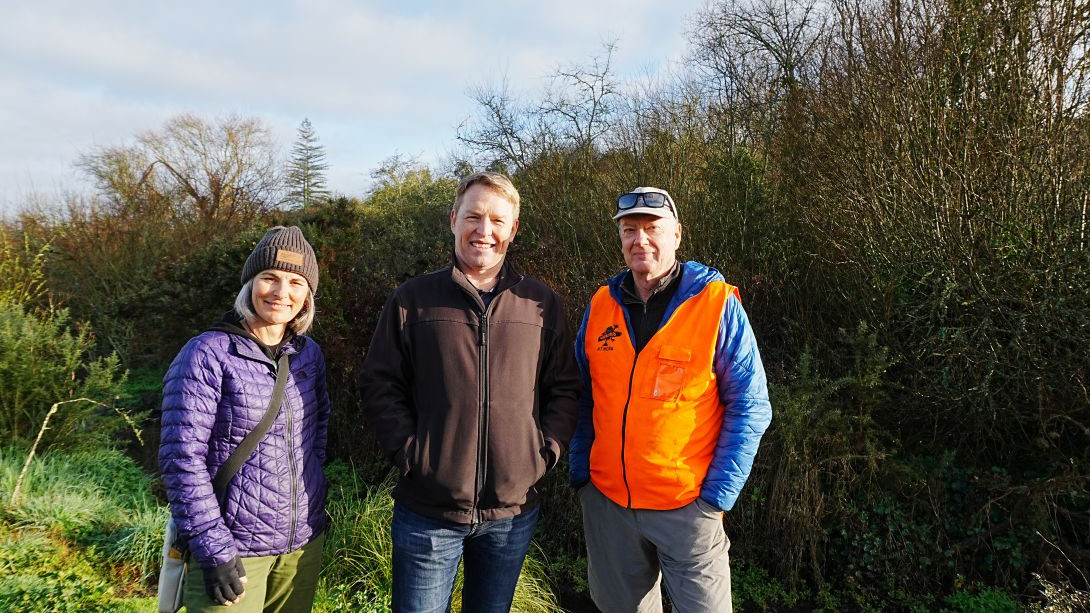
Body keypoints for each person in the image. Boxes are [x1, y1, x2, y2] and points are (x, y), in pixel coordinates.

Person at [359, 171, 579, 613]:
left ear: (513, 230)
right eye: (474, 217)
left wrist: (544, 453)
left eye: (498, 220)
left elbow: (566, 387)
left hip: (511, 516)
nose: (485, 231)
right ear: (454, 219)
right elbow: (380, 383)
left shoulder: (541, 304)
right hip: (428, 513)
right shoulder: (413, 299)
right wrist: (412, 454)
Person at [569, 187, 772, 613]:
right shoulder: (600, 304)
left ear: (677, 234)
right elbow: (583, 394)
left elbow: (751, 405)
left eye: (652, 228)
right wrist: (582, 474)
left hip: (688, 508)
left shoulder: (715, 304)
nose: (640, 239)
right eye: (629, 229)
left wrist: (717, 496)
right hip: (608, 506)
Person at [159, 226, 331, 613]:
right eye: (269, 277)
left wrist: (314, 498)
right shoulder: (206, 354)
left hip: (300, 546)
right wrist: (212, 546)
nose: (281, 292)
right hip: (233, 548)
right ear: (250, 284)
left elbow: (315, 436)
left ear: (307, 296)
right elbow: (181, 460)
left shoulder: (308, 355)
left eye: (295, 282)